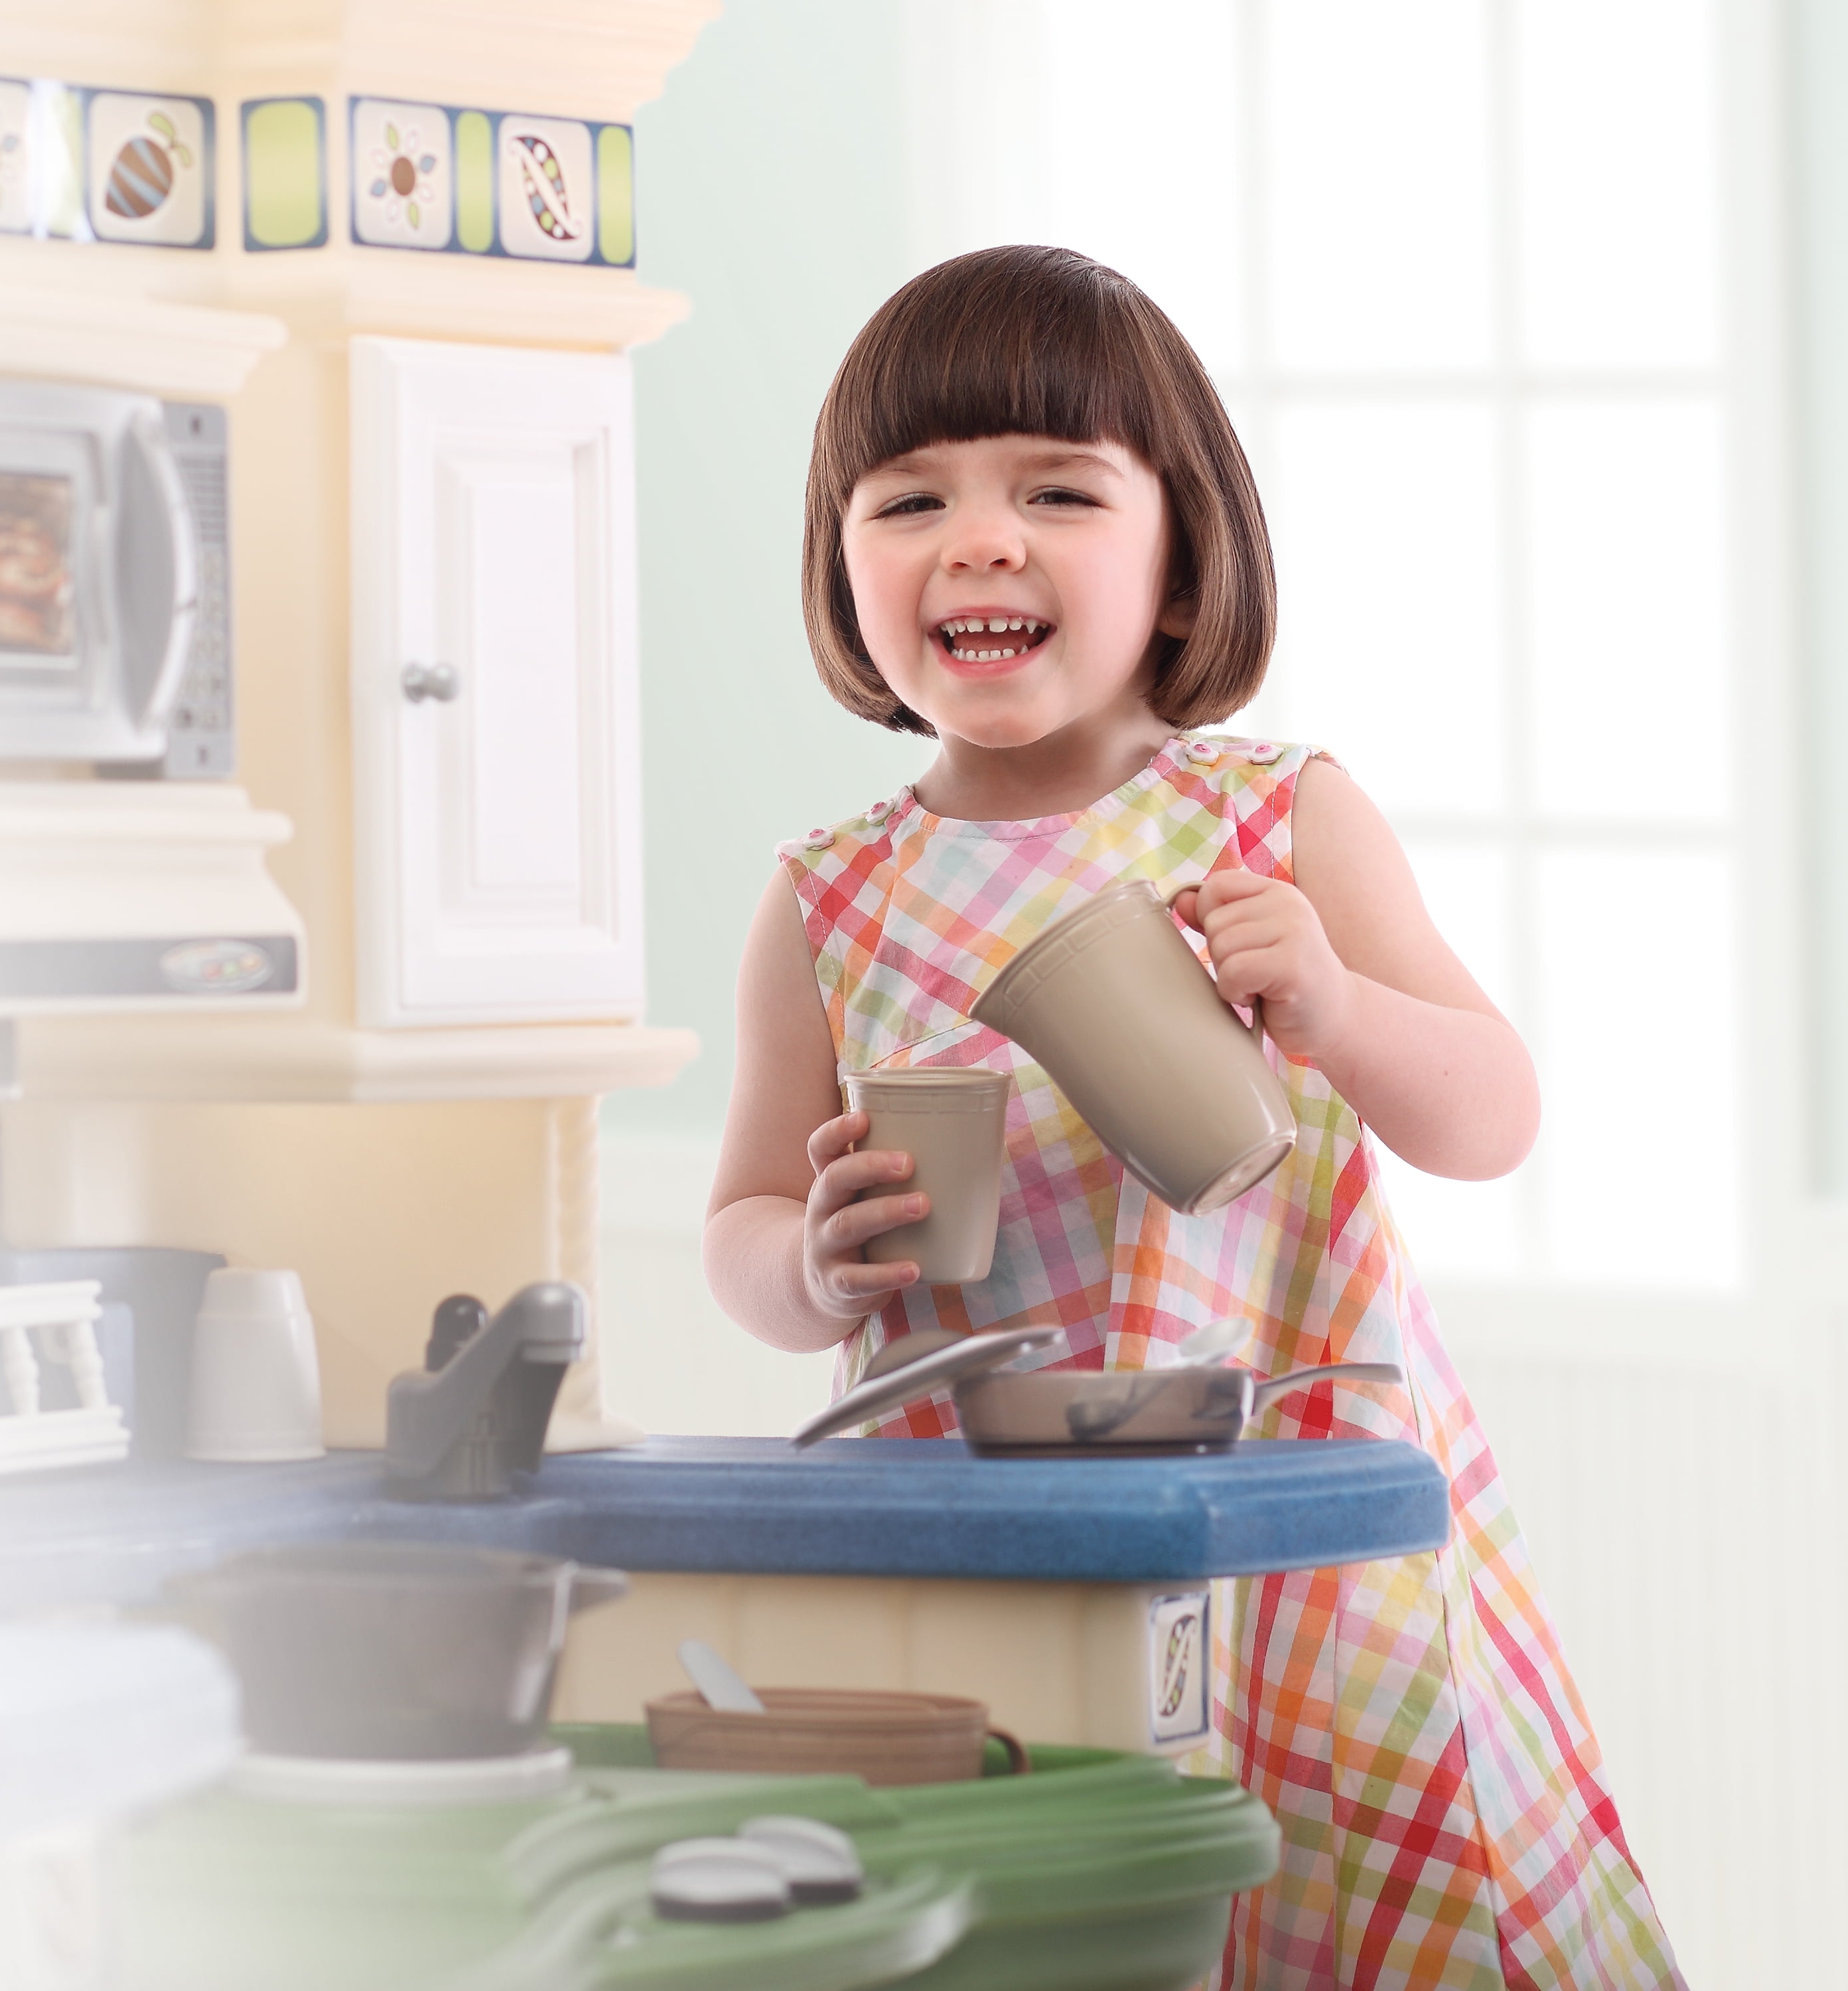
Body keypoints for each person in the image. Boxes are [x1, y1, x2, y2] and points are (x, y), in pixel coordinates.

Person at [703, 244, 1681, 1991]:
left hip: (1300, 1525)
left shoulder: (1276, 821)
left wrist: (1337, 1006)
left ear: (1178, 560)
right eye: (909, 496)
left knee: (1346, 1908)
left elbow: (1493, 1111)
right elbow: (741, 1233)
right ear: (842, 567)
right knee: (1060, 1930)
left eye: (1056, 489)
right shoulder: (830, 899)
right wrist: (815, 1266)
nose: (978, 537)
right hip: (980, 1548)